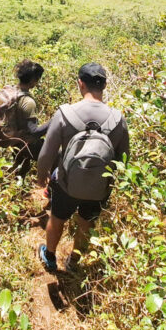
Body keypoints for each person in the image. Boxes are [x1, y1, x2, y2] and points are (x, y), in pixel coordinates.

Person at [36, 63, 129, 273]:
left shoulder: (65, 113)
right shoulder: (117, 119)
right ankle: (74, 262)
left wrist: (42, 178)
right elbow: (123, 159)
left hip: (66, 183)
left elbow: (46, 153)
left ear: (80, 84)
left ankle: (49, 256)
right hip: (99, 187)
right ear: (104, 85)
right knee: (87, 223)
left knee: (57, 217)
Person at [0, 59, 49, 178]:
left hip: (7, 136)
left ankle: (19, 179)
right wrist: (54, 122)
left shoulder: (10, 90)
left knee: (22, 164)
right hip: (20, 140)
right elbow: (34, 132)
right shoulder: (27, 102)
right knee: (56, 156)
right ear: (33, 80)